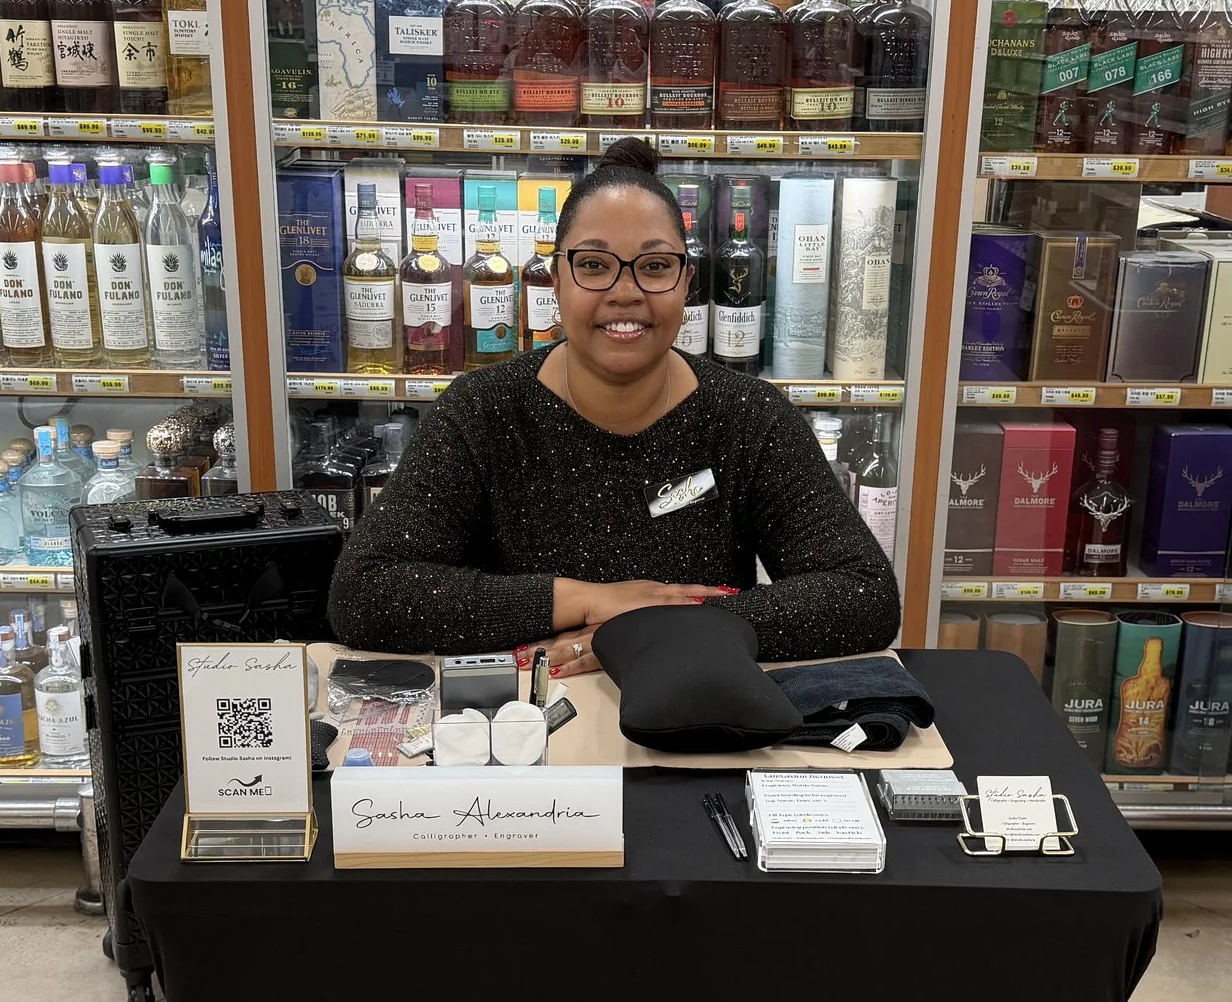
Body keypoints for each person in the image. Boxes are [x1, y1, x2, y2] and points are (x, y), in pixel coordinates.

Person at [325, 139, 901, 673]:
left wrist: (659, 631)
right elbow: (365, 594)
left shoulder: (750, 417)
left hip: (691, 713)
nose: (625, 292)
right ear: (556, 280)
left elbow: (864, 595)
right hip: (526, 726)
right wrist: (585, 600)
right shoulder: (484, 409)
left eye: (654, 267)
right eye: (594, 265)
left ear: (686, 284)